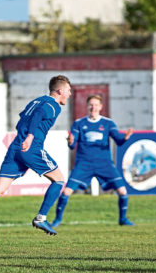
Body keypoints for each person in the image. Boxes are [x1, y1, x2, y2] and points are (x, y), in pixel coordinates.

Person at [0, 75, 72, 236]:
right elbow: (38, 115)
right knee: (59, 179)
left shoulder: (37, 100)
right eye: (68, 91)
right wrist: (30, 137)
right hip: (31, 147)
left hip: (15, 146)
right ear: (60, 90)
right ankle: (41, 218)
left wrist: (24, 135)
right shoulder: (53, 105)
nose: (69, 94)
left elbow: (21, 121)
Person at [52, 94, 134, 228]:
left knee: (123, 191)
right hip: (84, 164)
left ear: (101, 107)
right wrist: (71, 141)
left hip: (104, 164)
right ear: (87, 106)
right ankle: (57, 220)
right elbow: (72, 145)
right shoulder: (79, 123)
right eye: (91, 104)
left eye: (96, 105)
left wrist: (125, 137)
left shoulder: (108, 123)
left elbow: (118, 141)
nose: (93, 107)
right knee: (66, 191)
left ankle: (123, 219)